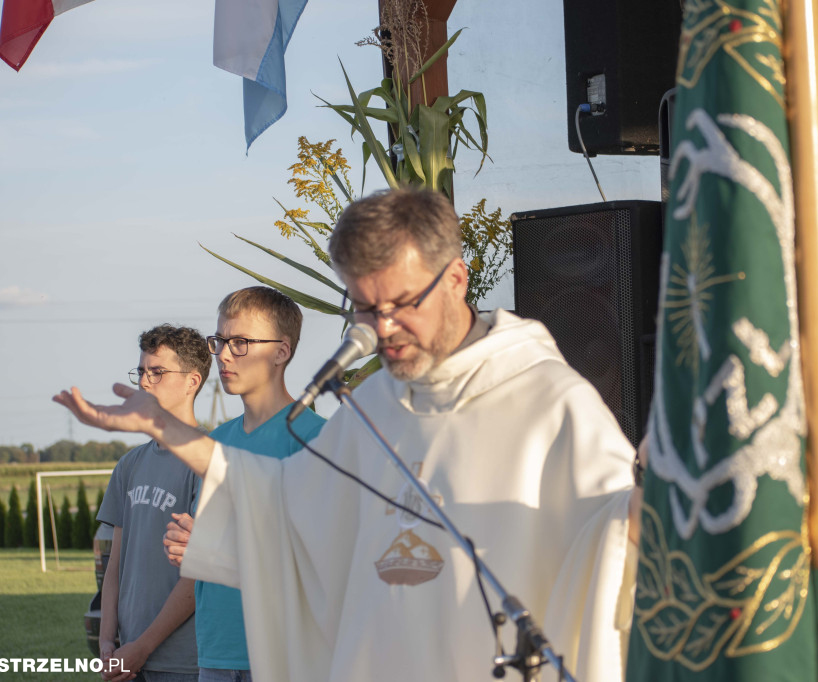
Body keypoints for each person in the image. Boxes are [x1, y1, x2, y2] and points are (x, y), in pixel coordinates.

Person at [58, 187, 639, 682]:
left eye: (401, 303)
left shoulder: (549, 403)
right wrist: (162, 425)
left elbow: (620, 553)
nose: (382, 329)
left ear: (456, 279)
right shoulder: (379, 403)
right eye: (363, 308)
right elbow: (284, 504)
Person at [164, 287, 326, 682]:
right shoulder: (215, 442)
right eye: (219, 340)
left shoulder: (316, 439)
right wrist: (190, 547)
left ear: (281, 351)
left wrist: (211, 546)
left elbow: (319, 558)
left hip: (284, 654)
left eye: (240, 343)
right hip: (217, 650)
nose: (222, 354)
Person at [96, 324, 210, 682]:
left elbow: (199, 575)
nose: (144, 383)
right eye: (142, 372)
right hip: (128, 657)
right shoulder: (129, 464)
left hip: (183, 661)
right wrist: (107, 639)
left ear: (192, 381)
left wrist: (143, 646)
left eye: (157, 373)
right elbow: (115, 563)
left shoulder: (206, 462)